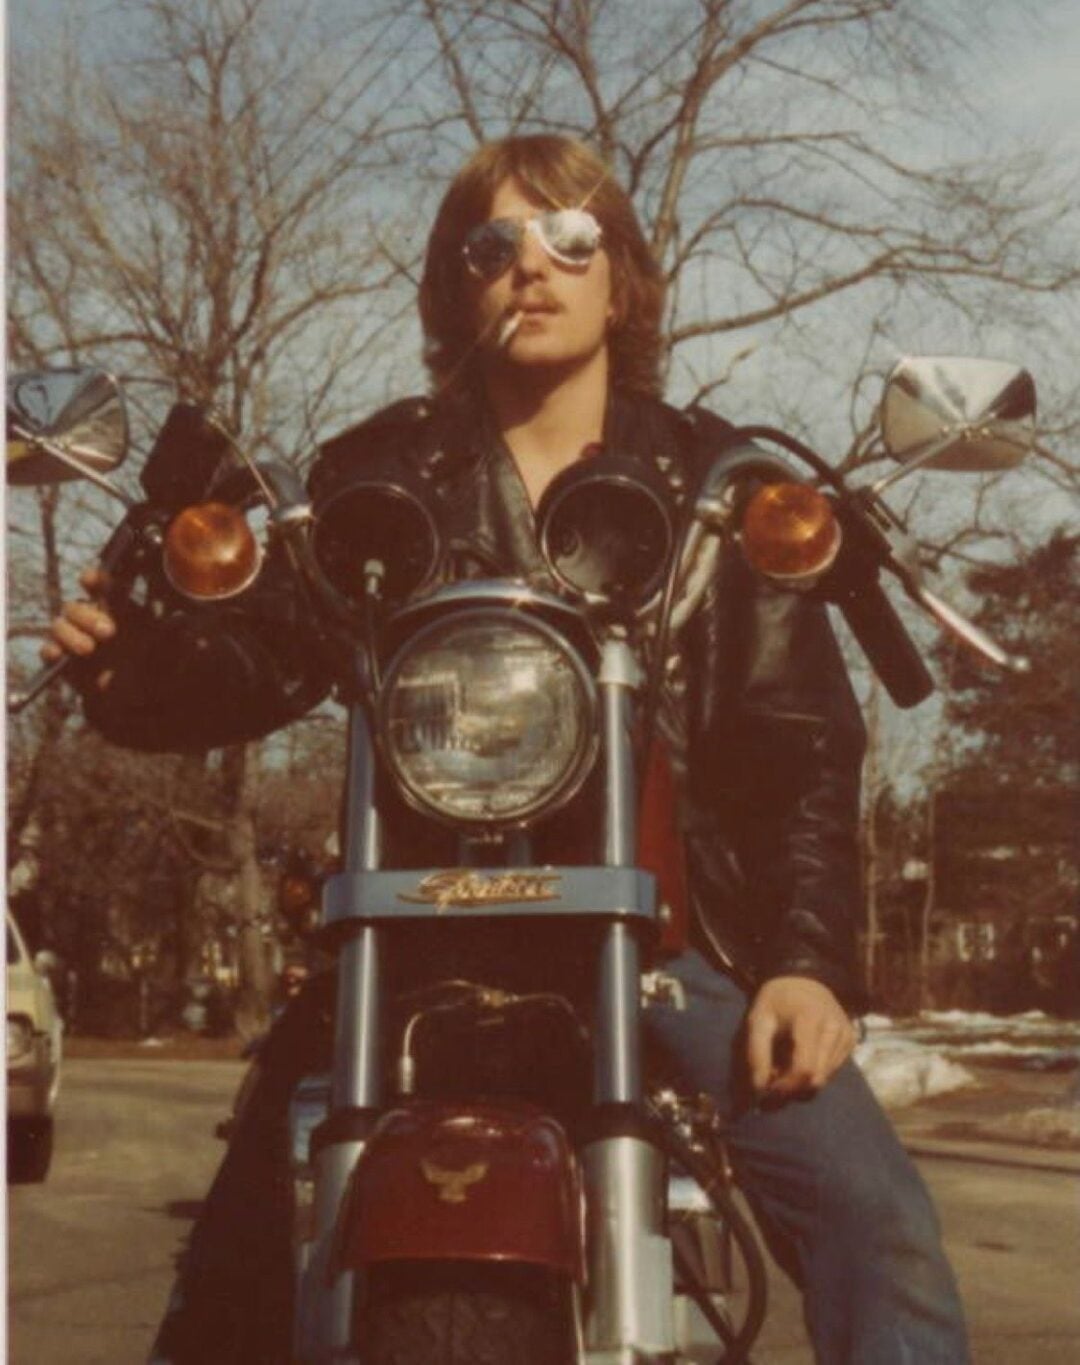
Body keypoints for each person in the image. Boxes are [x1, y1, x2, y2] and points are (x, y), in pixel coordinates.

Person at [46, 134, 970, 1363]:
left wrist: (806, 967)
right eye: (492, 245)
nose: (530, 266)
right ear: (451, 286)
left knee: (879, 1219)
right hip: (415, 945)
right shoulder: (375, 478)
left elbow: (798, 751)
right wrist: (123, 667)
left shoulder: (713, 481)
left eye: (570, 239)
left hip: (669, 951)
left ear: (621, 280)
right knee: (238, 1267)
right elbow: (264, 657)